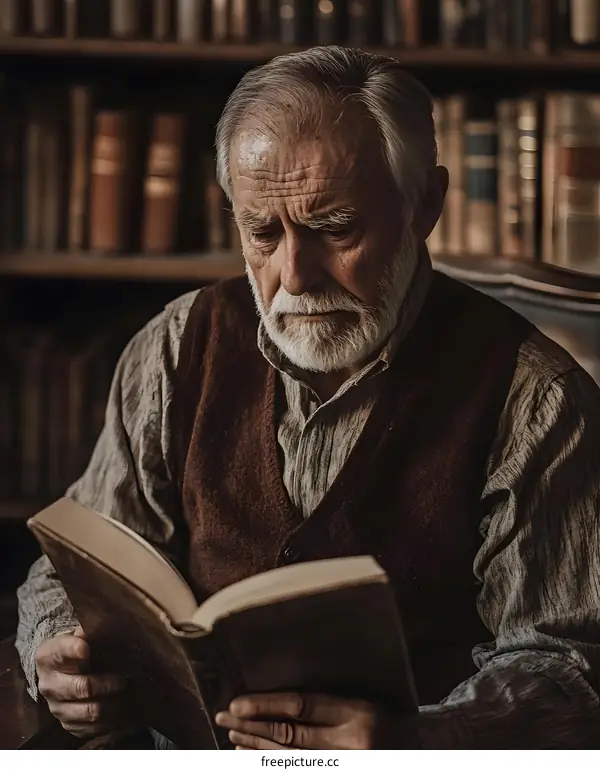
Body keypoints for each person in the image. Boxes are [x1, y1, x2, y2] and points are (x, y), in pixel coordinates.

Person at [16, 46, 600, 749]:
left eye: (335, 228)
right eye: (262, 232)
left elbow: (567, 667)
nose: (294, 275)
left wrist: (420, 740)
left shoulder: (534, 398)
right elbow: (72, 564)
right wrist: (59, 647)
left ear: (426, 206)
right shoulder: (175, 348)